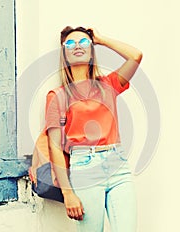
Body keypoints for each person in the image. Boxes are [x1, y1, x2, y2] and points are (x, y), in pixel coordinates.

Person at [44, 26, 142, 232]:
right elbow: (55, 147)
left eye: (84, 42)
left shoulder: (109, 85)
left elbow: (135, 56)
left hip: (118, 166)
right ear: (64, 53)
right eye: (70, 43)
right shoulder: (57, 96)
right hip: (84, 168)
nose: (77, 46)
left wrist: (101, 39)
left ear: (92, 50)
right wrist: (68, 193)